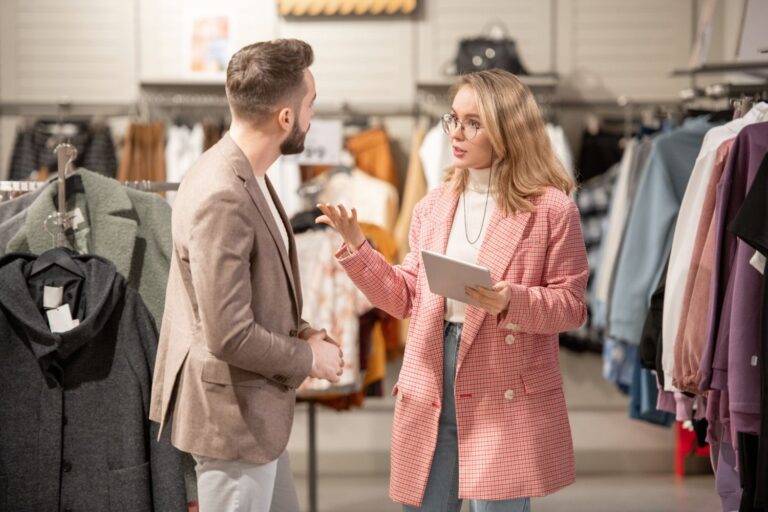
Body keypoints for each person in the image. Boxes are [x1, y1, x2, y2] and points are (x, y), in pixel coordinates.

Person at [318, 69, 589, 512]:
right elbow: (405, 296)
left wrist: (511, 301)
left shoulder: (552, 209)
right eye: (453, 119)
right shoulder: (434, 204)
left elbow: (572, 305)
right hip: (430, 369)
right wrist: (358, 248)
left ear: (507, 131)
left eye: (472, 123)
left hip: (503, 377)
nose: (456, 134)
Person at [150, 39, 344, 512]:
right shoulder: (223, 192)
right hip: (231, 420)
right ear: (285, 117)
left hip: (252, 416)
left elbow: (250, 295)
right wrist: (307, 356)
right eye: (310, 104)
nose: (312, 116)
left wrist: (301, 330)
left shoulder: (246, 174)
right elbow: (229, 333)